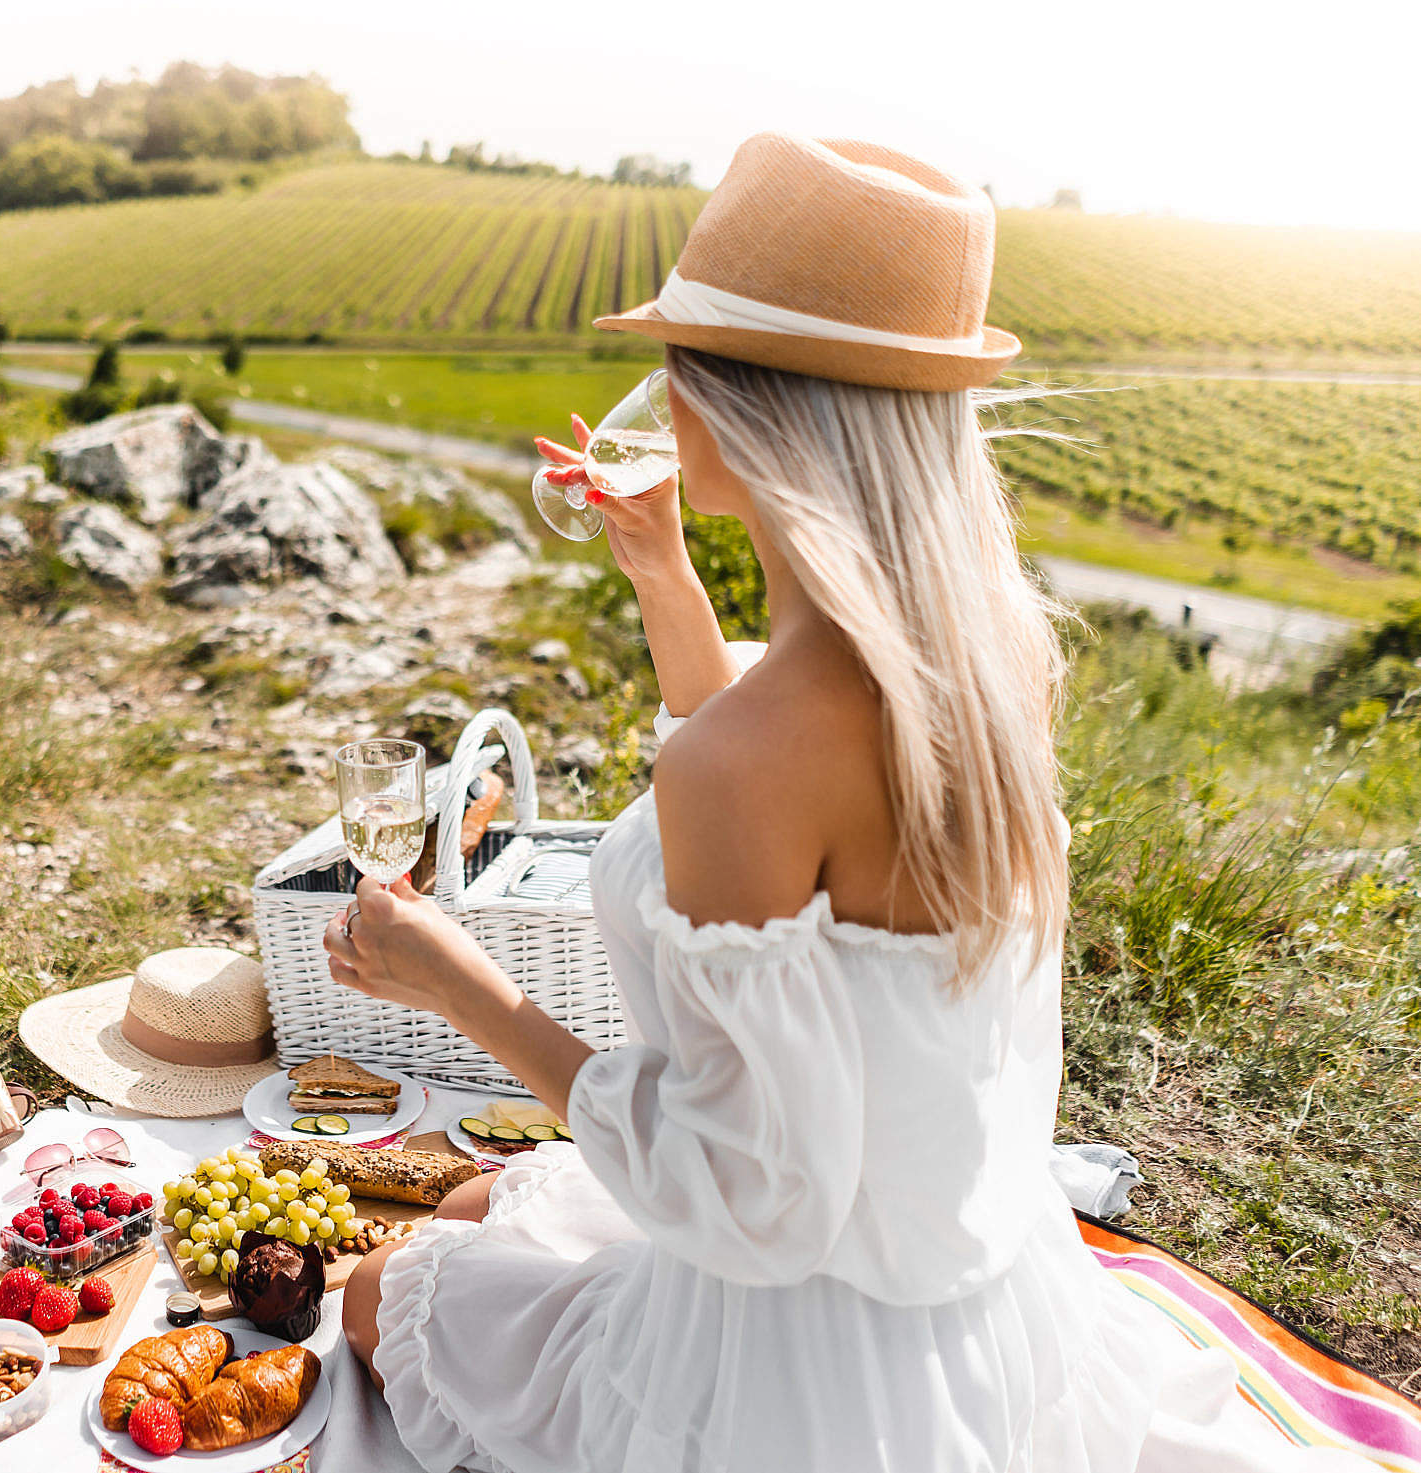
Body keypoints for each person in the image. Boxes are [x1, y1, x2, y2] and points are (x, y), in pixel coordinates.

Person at [327, 133, 1367, 1471]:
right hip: (977, 1290)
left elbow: (747, 1200)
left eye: (680, 363)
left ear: (746, 409)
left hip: (785, 1362)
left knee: (379, 1289)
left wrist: (455, 983)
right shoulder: (979, 658)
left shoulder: (741, 762)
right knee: (485, 1194)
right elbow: (798, 806)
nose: (662, 393)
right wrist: (664, 579)